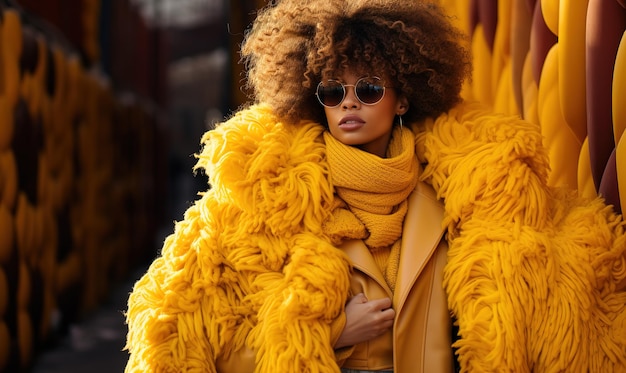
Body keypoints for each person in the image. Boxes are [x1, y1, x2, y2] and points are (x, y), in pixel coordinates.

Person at [124, 0, 626, 372]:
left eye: (367, 89)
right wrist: (331, 333)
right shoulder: (263, 204)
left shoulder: (467, 197)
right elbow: (188, 345)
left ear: (402, 98)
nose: (348, 104)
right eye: (331, 91)